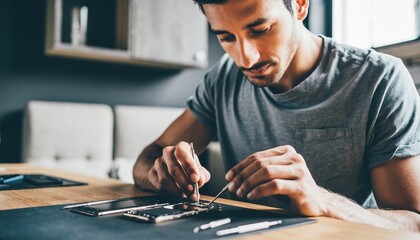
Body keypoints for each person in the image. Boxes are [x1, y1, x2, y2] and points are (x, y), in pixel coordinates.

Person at [133, 0, 420, 232]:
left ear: (300, 5)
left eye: (260, 29)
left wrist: (323, 200)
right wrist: (161, 173)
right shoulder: (224, 78)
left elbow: (413, 222)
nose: (246, 59)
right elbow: (147, 158)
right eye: (226, 37)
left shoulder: (378, 79)